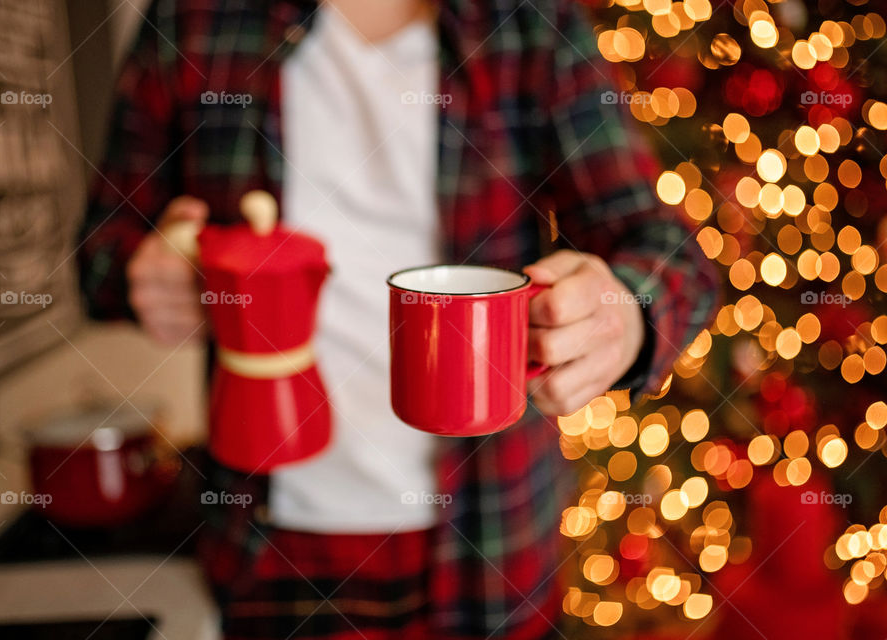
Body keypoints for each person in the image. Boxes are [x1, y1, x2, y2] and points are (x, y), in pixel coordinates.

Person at [78, 0, 719, 638]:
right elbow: (98, 252)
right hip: (266, 549)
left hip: (494, 550)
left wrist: (627, 313)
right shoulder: (194, 18)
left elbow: (668, 250)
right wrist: (144, 272)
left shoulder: (529, 22)